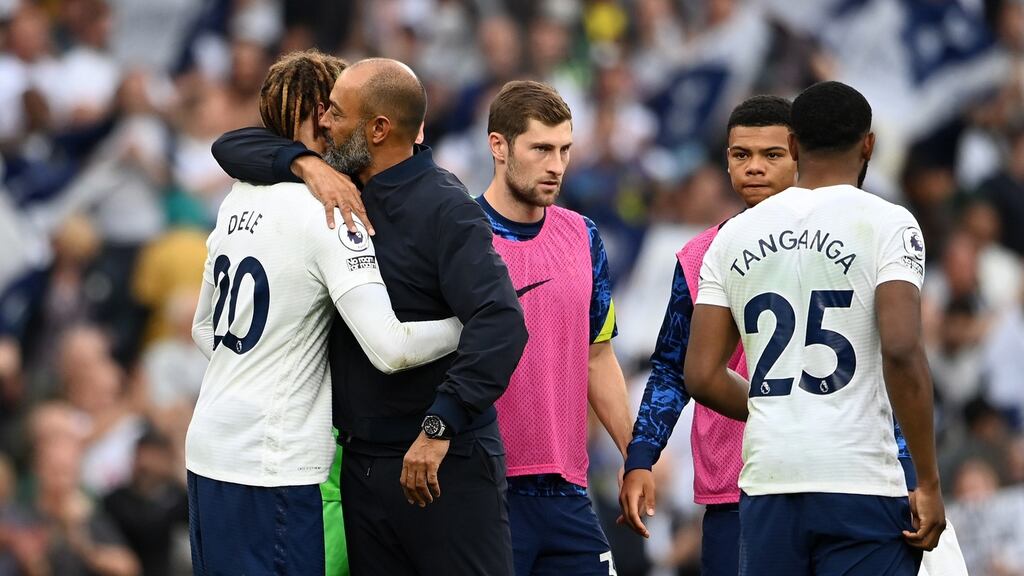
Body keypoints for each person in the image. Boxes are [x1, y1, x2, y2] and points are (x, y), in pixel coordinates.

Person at [210, 57, 529, 575]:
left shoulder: (445, 207)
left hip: (442, 462)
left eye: (335, 112)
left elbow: (502, 322)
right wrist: (306, 164)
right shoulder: (334, 177)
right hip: (363, 467)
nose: (324, 124)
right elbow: (231, 146)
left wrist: (439, 426)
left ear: (378, 129)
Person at [684, 81, 945, 575]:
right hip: (860, 480)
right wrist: (928, 482)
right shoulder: (889, 223)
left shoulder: (733, 235)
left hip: (768, 481)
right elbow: (903, 348)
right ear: (869, 144)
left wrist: (776, 407)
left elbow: (699, 374)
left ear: (795, 145)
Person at [477, 80, 632, 575]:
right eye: (541, 148)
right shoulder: (462, 234)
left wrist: (638, 453)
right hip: (485, 487)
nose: (557, 165)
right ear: (498, 146)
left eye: (565, 149)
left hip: (568, 487)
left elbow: (598, 355)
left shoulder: (583, 236)